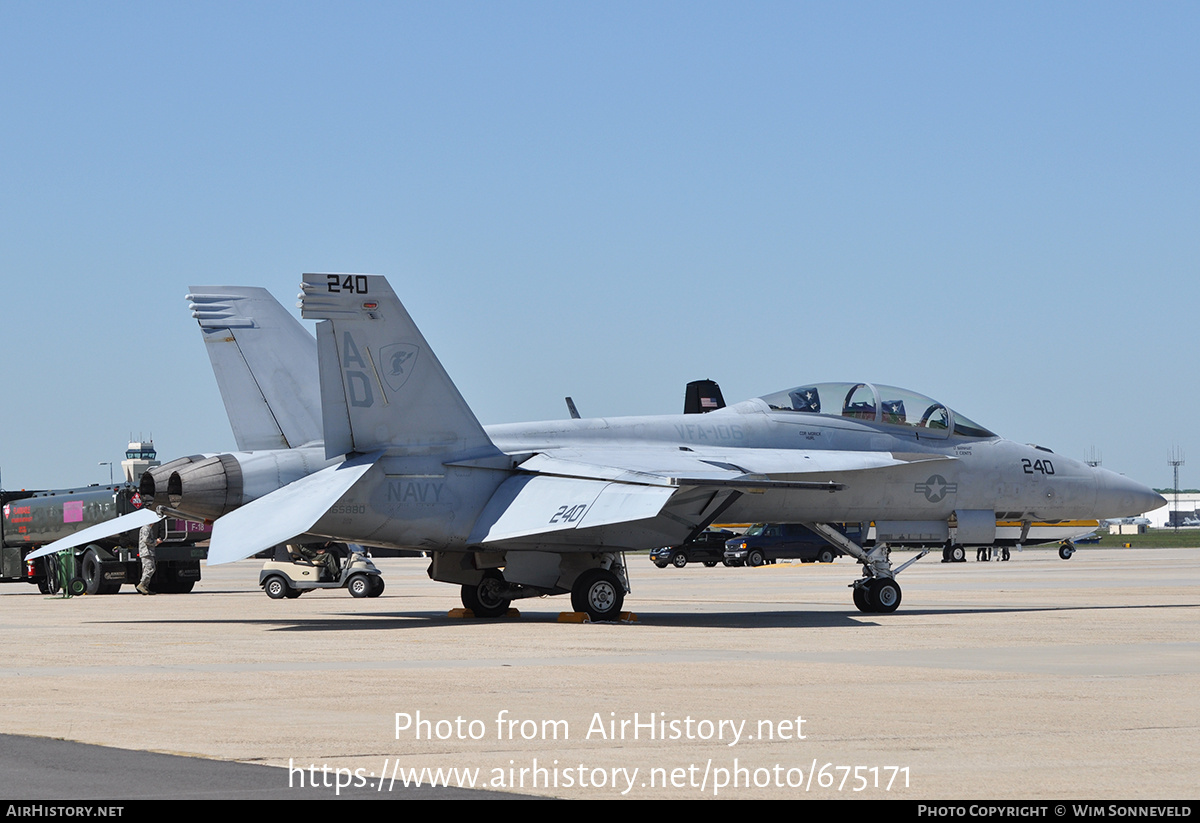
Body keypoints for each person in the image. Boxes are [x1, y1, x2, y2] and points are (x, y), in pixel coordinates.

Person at [137, 520, 163, 595]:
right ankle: (142, 584)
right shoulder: (146, 528)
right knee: (150, 568)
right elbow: (146, 540)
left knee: (148, 568)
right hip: (146, 552)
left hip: (148, 551)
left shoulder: (148, 528)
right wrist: (156, 541)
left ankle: (145, 587)